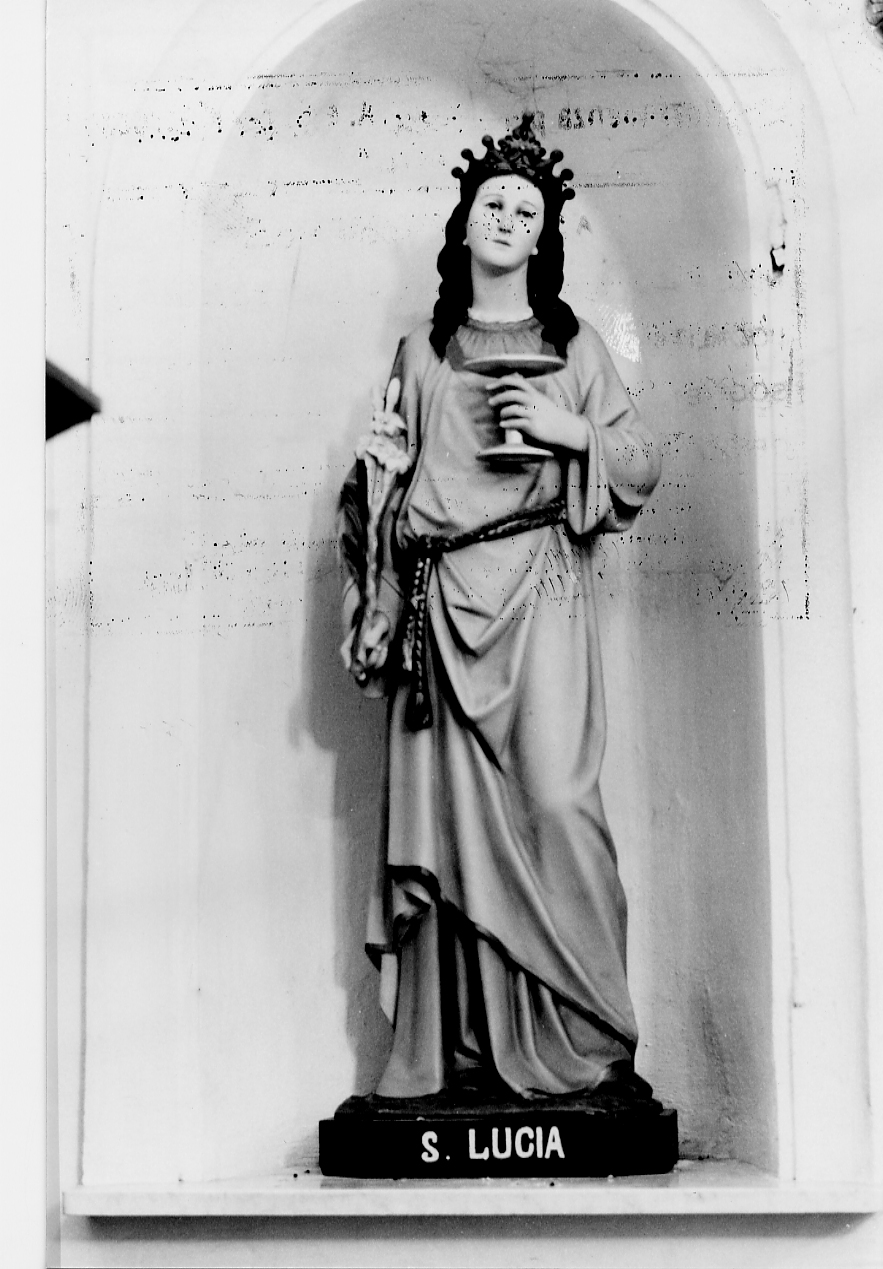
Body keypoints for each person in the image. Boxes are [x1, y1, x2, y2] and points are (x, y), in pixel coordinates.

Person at [338, 115, 662, 1102]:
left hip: (542, 589)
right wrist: (377, 489)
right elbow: (383, 485)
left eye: (527, 208)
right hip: (442, 604)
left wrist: (570, 430)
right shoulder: (422, 350)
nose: (510, 218)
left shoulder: (575, 346)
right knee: (446, 830)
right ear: (464, 222)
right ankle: (456, 1057)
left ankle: (590, 1043)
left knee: (557, 801)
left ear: (544, 234)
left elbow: (639, 460)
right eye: (494, 203)